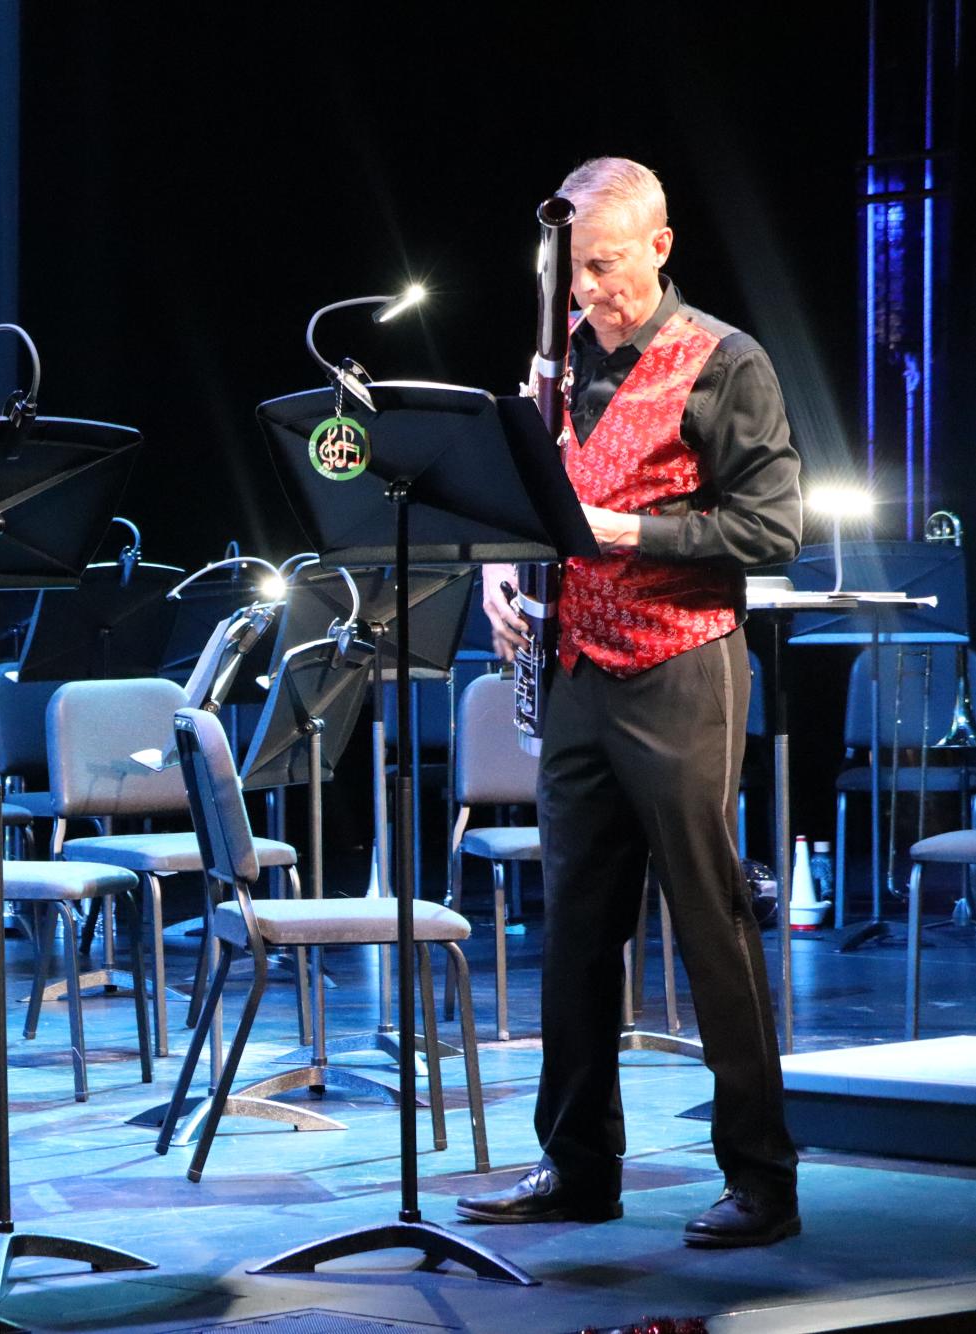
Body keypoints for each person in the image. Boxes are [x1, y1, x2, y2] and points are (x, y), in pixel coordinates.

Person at [456, 157, 804, 1249]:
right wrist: (498, 575)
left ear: (658, 247)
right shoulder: (554, 359)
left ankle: (761, 1178)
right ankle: (578, 1165)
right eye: (572, 273)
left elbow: (771, 533)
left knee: (709, 920)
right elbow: (518, 490)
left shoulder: (726, 363)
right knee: (575, 930)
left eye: (603, 270)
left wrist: (632, 533)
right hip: (578, 672)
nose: (586, 294)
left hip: (680, 667)